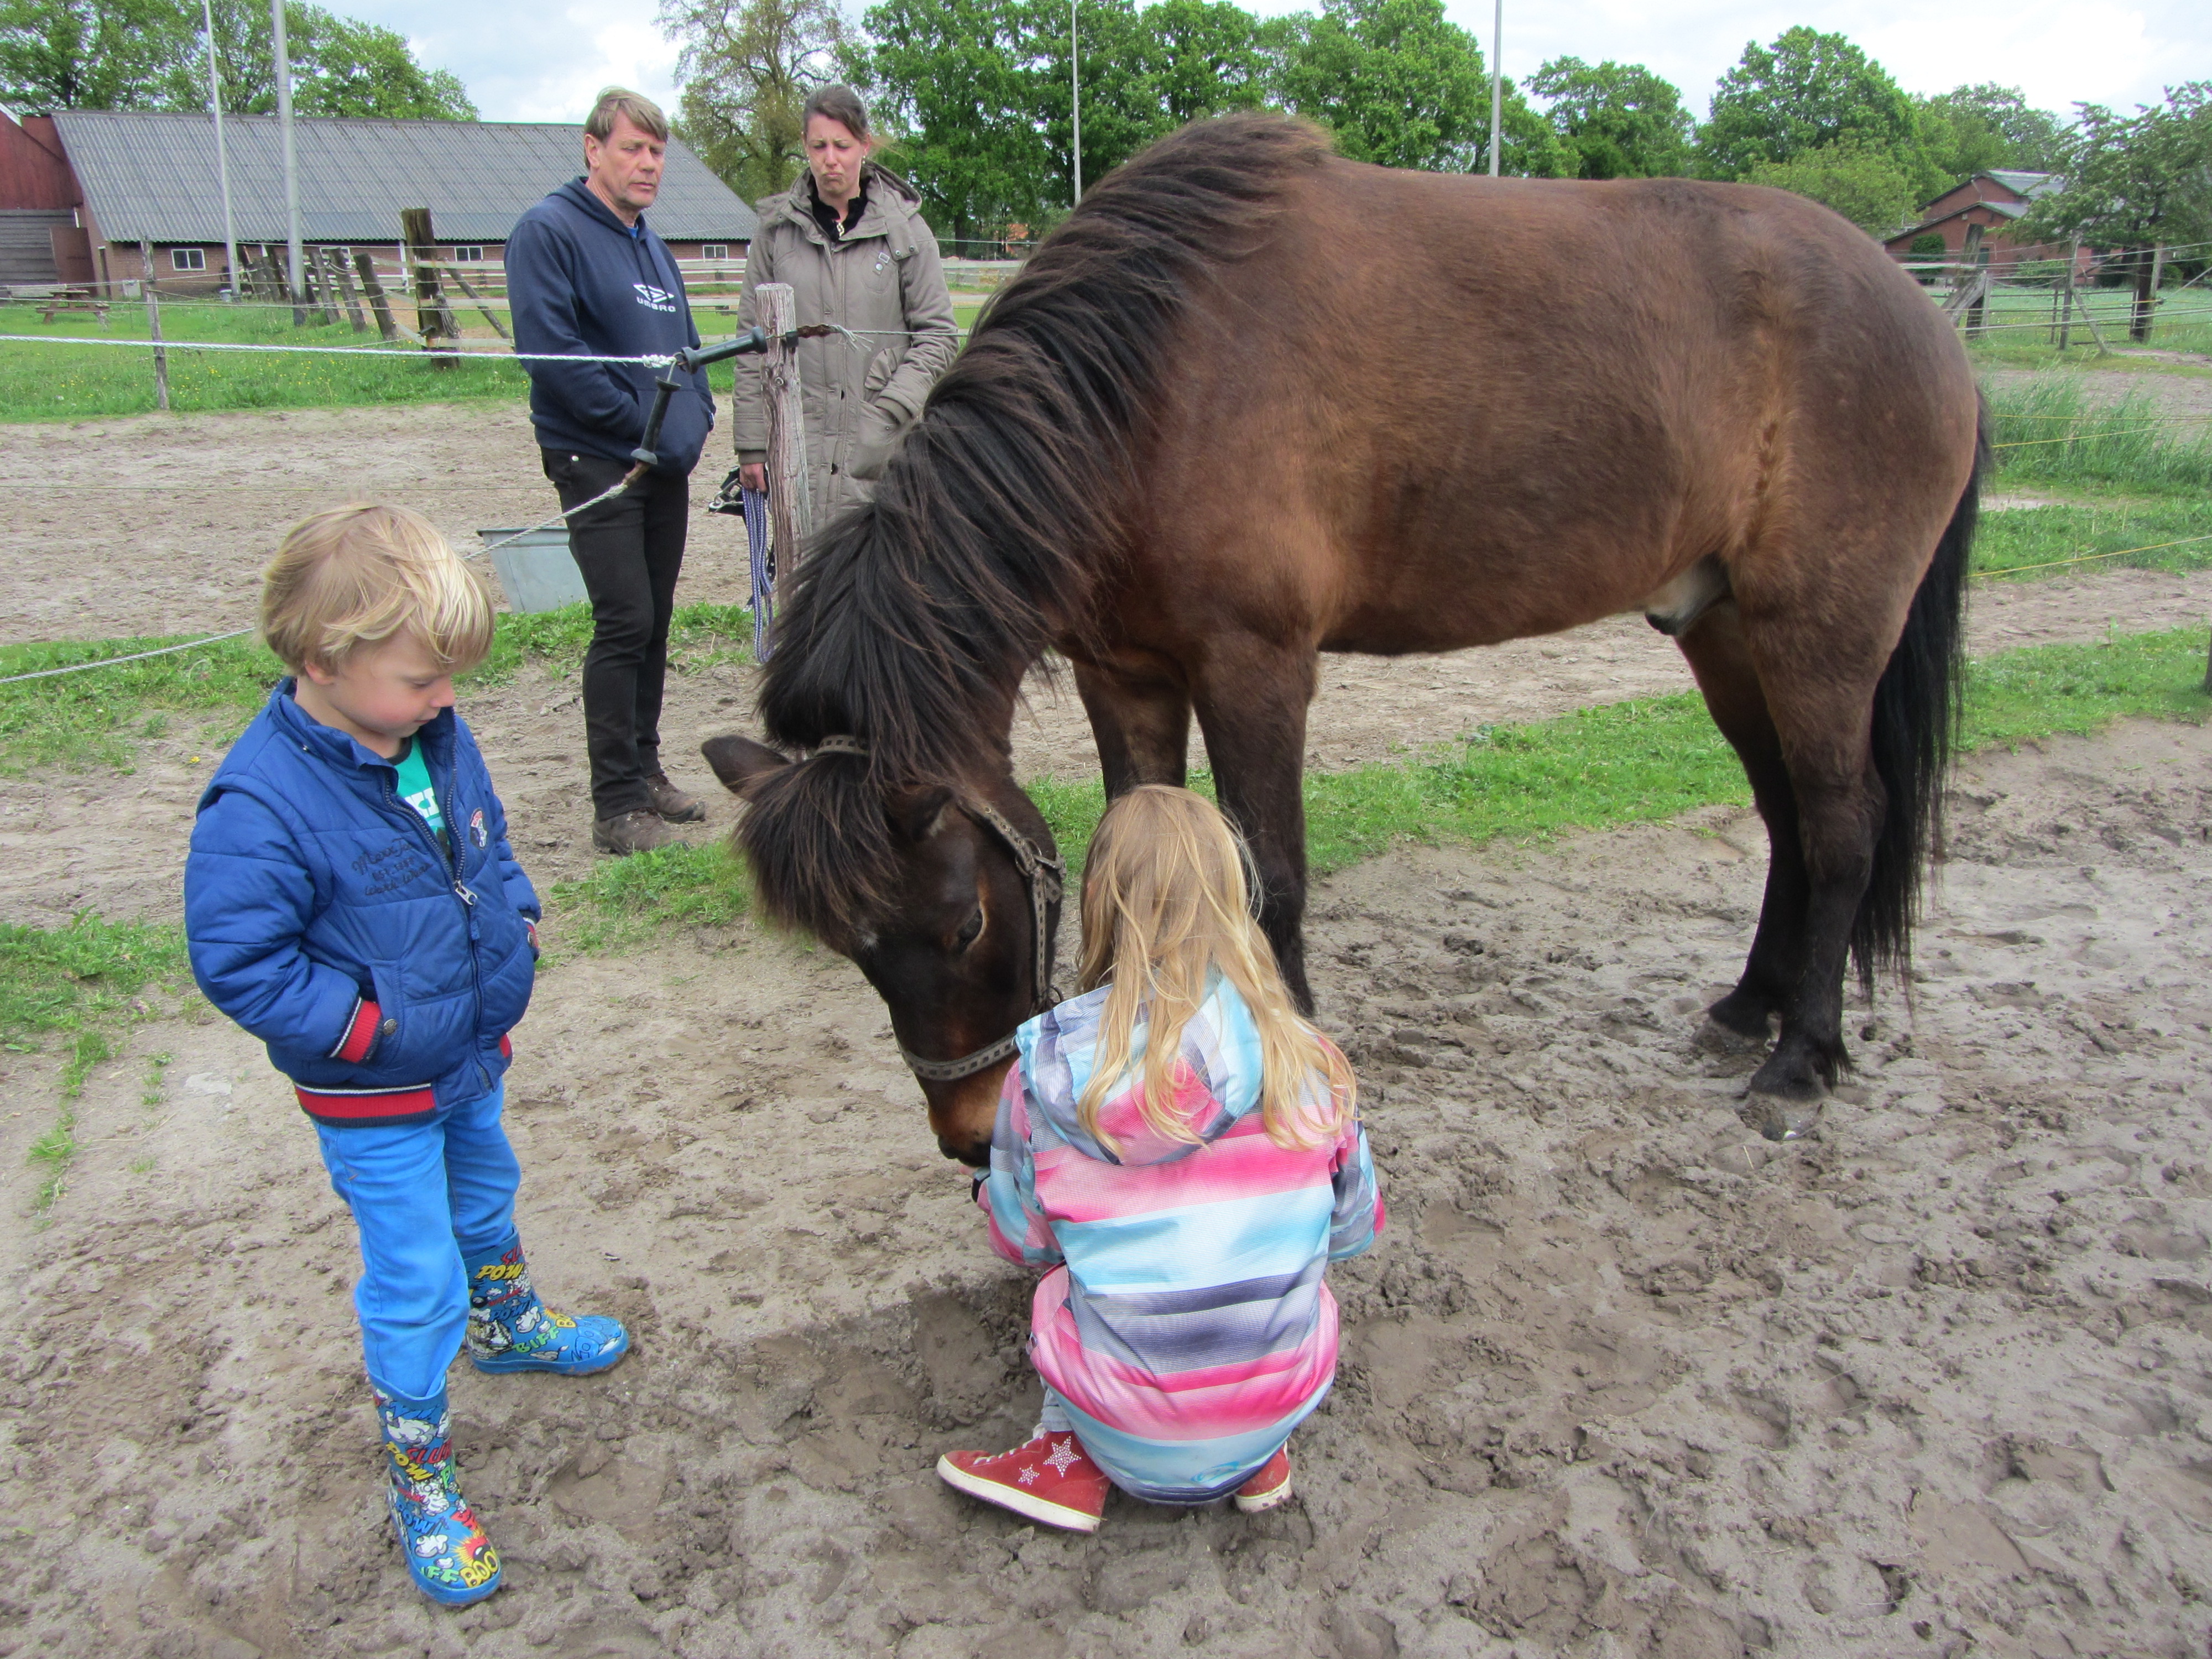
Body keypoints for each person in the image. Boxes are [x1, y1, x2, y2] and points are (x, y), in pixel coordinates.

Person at [184, 506, 631, 1607]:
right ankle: (419, 1472)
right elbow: (241, 963)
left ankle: (508, 1322)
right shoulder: (260, 805)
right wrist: (366, 1032)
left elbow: (486, 839)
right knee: (415, 1274)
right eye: (422, 680)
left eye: (449, 678)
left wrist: (518, 910)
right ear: (322, 661)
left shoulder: (437, 736)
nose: (444, 698)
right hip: (374, 1090)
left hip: (466, 1051)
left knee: (486, 1193)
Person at [940, 786, 1384, 1532]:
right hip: (1278, 1402)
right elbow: (1351, 1230)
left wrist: (992, 1187)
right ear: (1233, 896)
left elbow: (1024, 1243)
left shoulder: (1046, 1073)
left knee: (1062, 1284)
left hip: (1123, 1421)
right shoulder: (1309, 1062)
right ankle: (1257, 1458)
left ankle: (1066, 1460)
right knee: (1287, 1264)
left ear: (1098, 904)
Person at [507, 87, 714, 857]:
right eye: (633, 148)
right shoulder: (549, 231)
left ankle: (646, 769)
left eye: (657, 152)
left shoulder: (652, 246)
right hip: (594, 457)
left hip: (662, 463)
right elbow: (552, 356)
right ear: (593, 149)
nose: (648, 164)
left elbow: (688, 353)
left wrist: (695, 421)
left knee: (654, 616)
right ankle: (616, 804)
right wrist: (640, 429)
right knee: (624, 616)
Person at [731, 85, 959, 524]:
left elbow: (938, 336)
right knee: (801, 562)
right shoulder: (775, 234)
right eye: (819, 146)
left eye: (842, 145)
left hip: (880, 453)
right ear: (805, 145)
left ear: (865, 145)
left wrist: (890, 410)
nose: (830, 159)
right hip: (797, 448)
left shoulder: (906, 232)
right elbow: (749, 342)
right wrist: (752, 444)